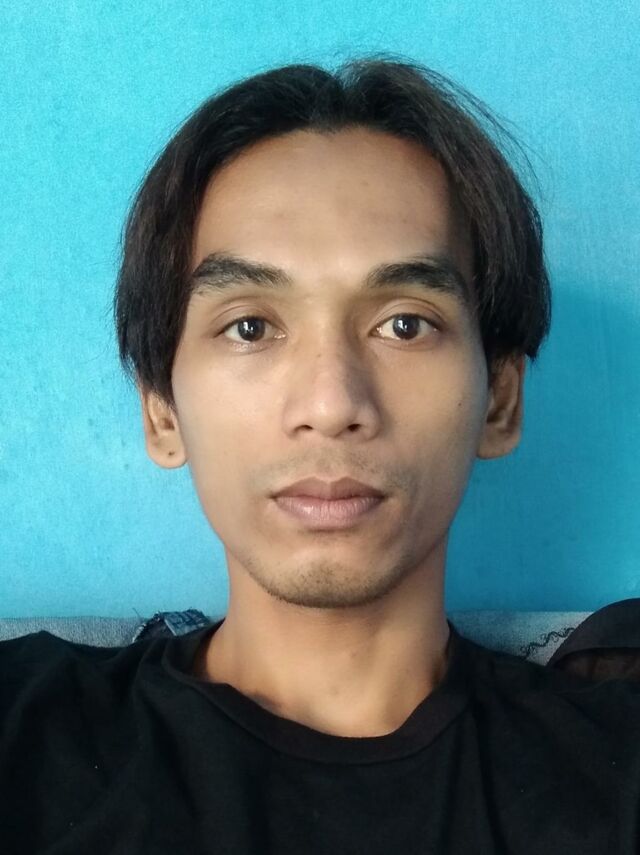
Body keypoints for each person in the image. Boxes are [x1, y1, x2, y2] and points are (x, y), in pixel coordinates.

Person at [1, 57, 638, 854]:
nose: (332, 404)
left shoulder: (614, 771)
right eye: (250, 327)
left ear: (501, 399)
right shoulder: (24, 731)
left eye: (405, 323)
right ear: (161, 410)